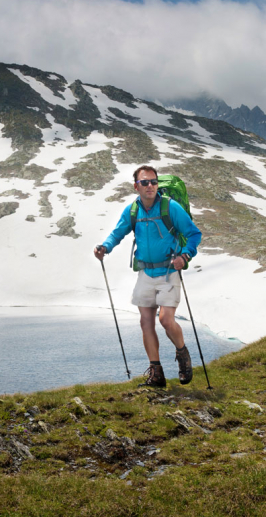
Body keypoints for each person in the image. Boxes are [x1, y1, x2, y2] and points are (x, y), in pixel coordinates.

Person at [93, 165, 202, 388]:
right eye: (145, 182)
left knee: (165, 320)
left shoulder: (170, 208)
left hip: (169, 271)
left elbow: (194, 234)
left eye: (153, 182)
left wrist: (185, 255)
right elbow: (118, 233)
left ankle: (183, 355)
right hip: (145, 272)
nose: (150, 186)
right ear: (136, 186)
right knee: (145, 322)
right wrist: (105, 247)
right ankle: (156, 373)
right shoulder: (133, 211)